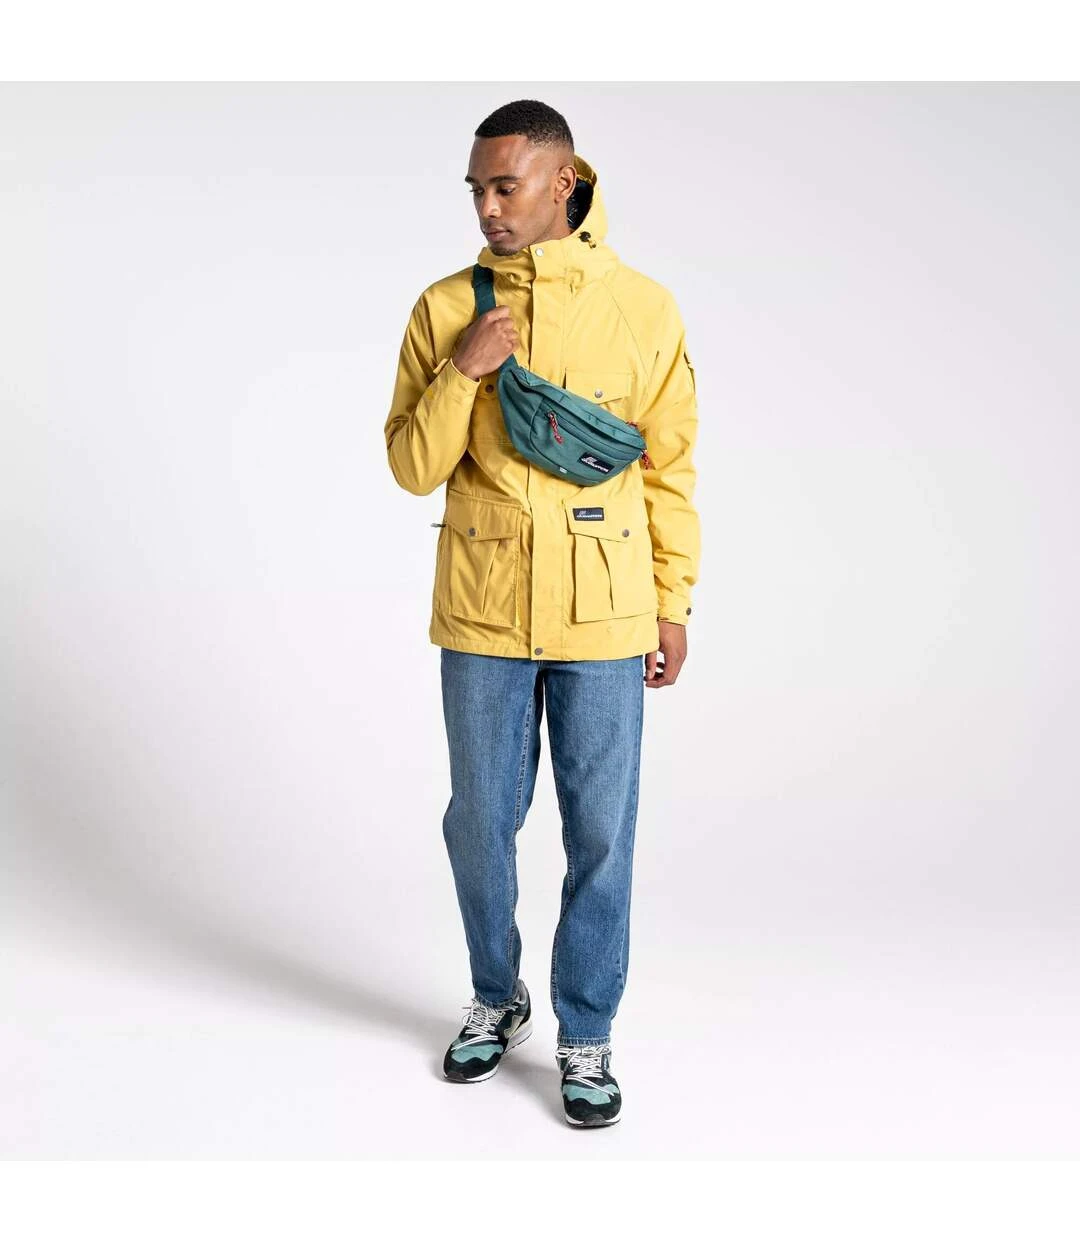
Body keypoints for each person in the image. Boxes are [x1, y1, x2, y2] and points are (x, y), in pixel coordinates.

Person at [383, 99, 700, 1128]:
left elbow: (669, 470)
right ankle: (496, 994)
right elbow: (411, 465)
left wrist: (673, 601)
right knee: (480, 823)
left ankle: (588, 1030)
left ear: (564, 182)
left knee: (601, 833)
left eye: (504, 185)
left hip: (608, 615)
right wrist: (463, 372)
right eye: (476, 188)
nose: (487, 206)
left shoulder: (643, 308)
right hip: (482, 613)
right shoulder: (445, 307)